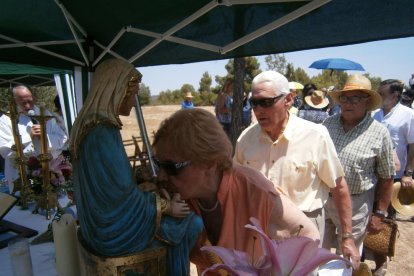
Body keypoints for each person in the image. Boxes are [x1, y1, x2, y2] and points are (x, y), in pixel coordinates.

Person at [69, 59, 203, 275]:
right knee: (190, 223)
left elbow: (109, 188)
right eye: (132, 94)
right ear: (118, 90)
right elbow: (121, 203)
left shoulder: (89, 126)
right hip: (113, 234)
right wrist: (166, 207)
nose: (133, 102)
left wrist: (138, 180)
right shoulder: (103, 133)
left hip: (96, 229)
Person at [152, 108, 319, 273]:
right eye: (158, 165)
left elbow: (308, 236)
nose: (161, 176)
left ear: (209, 162)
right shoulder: (177, 198)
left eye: (170, 167)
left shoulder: (256, 192)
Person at [233, 71, 360, 266]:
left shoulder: (315, 136)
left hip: (304, 229)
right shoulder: (246, 139)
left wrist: (347, 236)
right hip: (259, 230)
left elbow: (339, 187)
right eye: (254, 103)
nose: (258, 109)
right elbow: (236, 189)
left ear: (289, 100)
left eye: (266, 102)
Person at [322, 74, 395, 262]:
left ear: (367, 101)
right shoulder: (327, 125)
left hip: (356, 205)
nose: (348, 103)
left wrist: (379, 213)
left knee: (348, 258)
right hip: (322, 200)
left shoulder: (380, 133)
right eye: (345, 98)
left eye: (355, 98)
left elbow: (387, 177)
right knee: (316, 253)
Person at [371, 78, 414, 274]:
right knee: (368, 217)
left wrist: (408, 173)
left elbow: (413, 146)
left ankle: (381, 262)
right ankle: (366, 258)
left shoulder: (408, 116)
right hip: (371, 175)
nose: (379, 97)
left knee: (385, 219)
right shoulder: (374, 114)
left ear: (395, 96)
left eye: (382, 94)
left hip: (395, 177)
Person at [0, 85, 68, 193]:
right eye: (23, 102)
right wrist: (29, 137)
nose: (28, 106)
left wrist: (46, 137)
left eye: (30, 101)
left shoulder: (45, 114)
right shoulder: (6, 120)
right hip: (21, 176)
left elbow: (63, 139)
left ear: (35, 98)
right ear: (14, 101)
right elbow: (4, 150)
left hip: (49, 172)